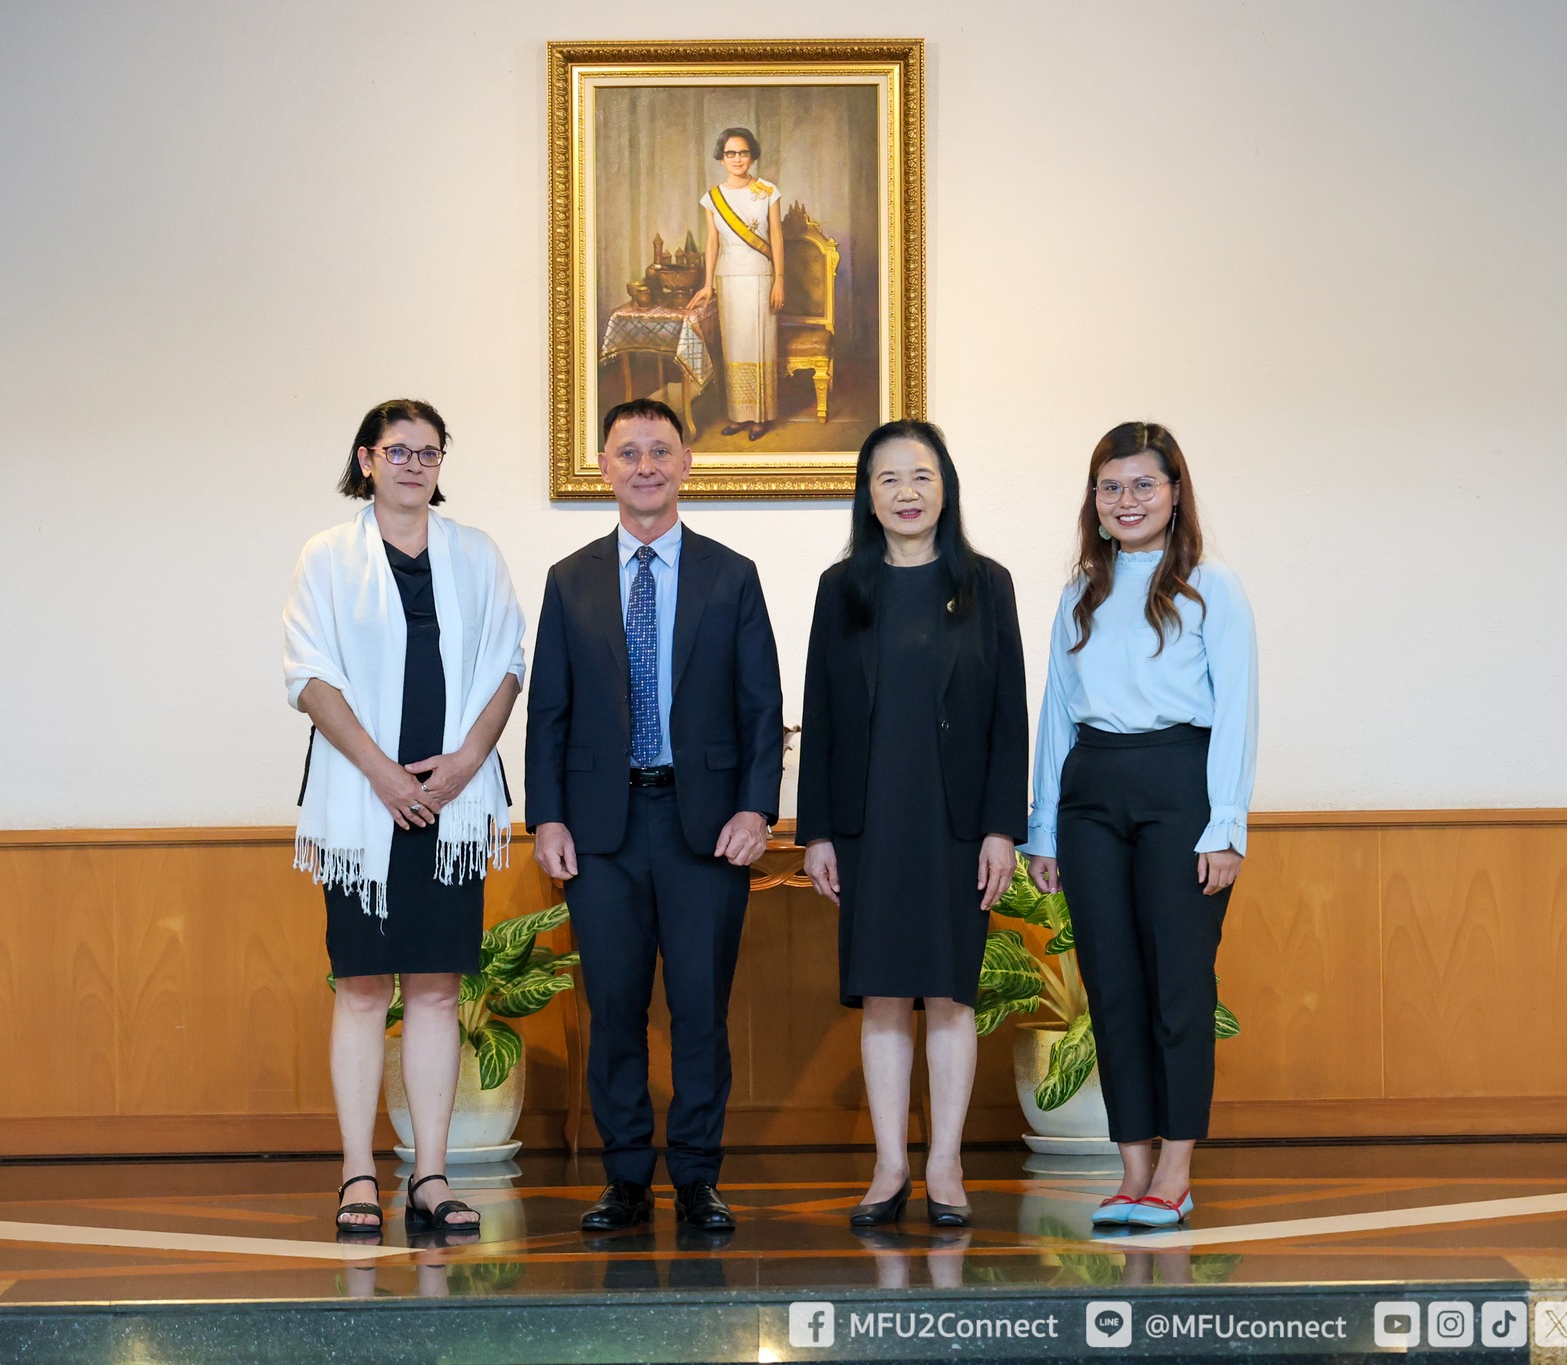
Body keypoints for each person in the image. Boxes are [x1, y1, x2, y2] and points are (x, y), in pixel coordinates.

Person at [525, 397, 785, 1233]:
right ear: (604, 466)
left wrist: (757, 807)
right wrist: (548, 818)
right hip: (602, 831)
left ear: (686, 464)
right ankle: (627, 1175)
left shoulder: (731, 574)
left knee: (702, 1008)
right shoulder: (569, 581)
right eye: (628, 451)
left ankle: (699, 1176)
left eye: (660, 451)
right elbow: (549, 714)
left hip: (705, 827)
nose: (645, 465)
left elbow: (761, 707)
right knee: (615, 1009)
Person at [282, 398, 526, 1240]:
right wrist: (385, 775)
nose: (416, 464)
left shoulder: (475, 553)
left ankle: (430, 1173)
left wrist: (462, 766)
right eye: (400, 450)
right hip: (362, 802)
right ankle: (357, 1172)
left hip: (452, 806)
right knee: (359, 988)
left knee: (435, 987)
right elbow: (309, 675)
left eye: (430, 451)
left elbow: (506, 667)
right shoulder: (328, 555)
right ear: (368, 458)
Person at [1024, 421, 1257, 1230]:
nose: (1126, 501)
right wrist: (1042, 830)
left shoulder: (1210, 586)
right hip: (1091, 791)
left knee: (1179, 989)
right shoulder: (1077, 593)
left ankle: (1176, 1171)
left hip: (1178, 788)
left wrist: (1225, 826)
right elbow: (1055, 713)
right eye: (1110, 487)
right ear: (1094, 499)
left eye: (1142, 485)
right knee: (1112, 988)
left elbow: (1237, 712)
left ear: (1175, 492)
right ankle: (1131, 1169)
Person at [797, 421, 1027, 1229]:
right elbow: (819, 716)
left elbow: (1010, 718)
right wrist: (816, 831)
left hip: (958, 823)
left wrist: (1004, 827)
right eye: (888, 477)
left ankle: (946, 1163)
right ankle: (891, 1165)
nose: (905, 492)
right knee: (884, 997)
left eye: (921, 476)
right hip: (869, 821)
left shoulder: (987, 585)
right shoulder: (841, 587)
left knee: (950, 995)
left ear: (946, 487)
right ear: (867, 493)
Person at [688, 127, 784, 441]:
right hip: (727, 279)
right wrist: (707, 284)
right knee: (735, 346)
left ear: (752, 155)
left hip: (760, 276)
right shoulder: (712, 197)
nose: (737, 159)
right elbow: (712, 242)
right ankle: (739, 416)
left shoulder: (768, 190)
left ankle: (761, 416)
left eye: (743, 152)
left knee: (758, 343)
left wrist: (779, 280)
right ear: (721, 158)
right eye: (730, 153)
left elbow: (777, 239)